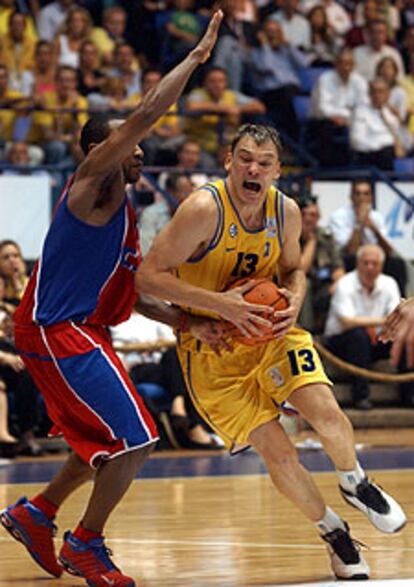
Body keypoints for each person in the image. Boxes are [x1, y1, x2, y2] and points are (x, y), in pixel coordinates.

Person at [0, 12, 222, 587]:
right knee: (138, 437)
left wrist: (190, 323)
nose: (142, 150)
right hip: (57, 329)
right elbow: (148, 110)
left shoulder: (122, 215)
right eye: (132, 142)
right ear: (103, 147)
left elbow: (135, 292)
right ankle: (86, 544)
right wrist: (196, 60)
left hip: (77, 331)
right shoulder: (91, 183)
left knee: (103, 441)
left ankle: (37, 512)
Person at [136, 123, 406, 581]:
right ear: (228, 161)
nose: (253, 168)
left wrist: (296, 299)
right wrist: (220, 307)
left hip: (272, 334)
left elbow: (292, 271)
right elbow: (147, 278)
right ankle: (334, 534)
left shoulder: (287, 212)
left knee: (326, 412)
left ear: (278, 171)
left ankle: (355, 482)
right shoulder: (203, 209)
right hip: (214, 353)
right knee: (280, 454)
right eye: (244, 158)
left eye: (264, 162)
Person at [324, 244, 411, 409]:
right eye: (366, 263)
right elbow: (347, 321)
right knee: (358, 335)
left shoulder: (389, 283)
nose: (370, 267)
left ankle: (409, 395)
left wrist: (388, 323)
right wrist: (384, 321)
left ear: (381, 266)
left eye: (374, 263)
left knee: (405, 336)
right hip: (341, 341)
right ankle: (361, 397)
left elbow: (396, 317)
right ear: (358, 264)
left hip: (377, 340)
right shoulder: (345, 284)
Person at [328, 179, 407, 295]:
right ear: (351, 196)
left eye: (366, 194)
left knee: (397, 264)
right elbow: (350, 251)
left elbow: (388, 251)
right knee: (350, 260)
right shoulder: (338, 217)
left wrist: (374, 229)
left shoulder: (377, 217)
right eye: (358, 193)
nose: (362, 197)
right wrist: (359, 224)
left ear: (371, 198)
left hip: (372, 259)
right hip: (349, 261)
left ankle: (400, 306)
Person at [298, 193, 345, 333]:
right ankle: (307, 332)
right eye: (306, 214)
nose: (310, 219)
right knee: (304, 284)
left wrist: (338, 283)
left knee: (344, 286)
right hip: (297, 286)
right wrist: (311, 241)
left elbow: (338, 267)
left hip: (323, 286)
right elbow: (300, 271)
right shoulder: (289, 236)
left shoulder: (326, 237)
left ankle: (336, 333)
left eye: (314, 215)